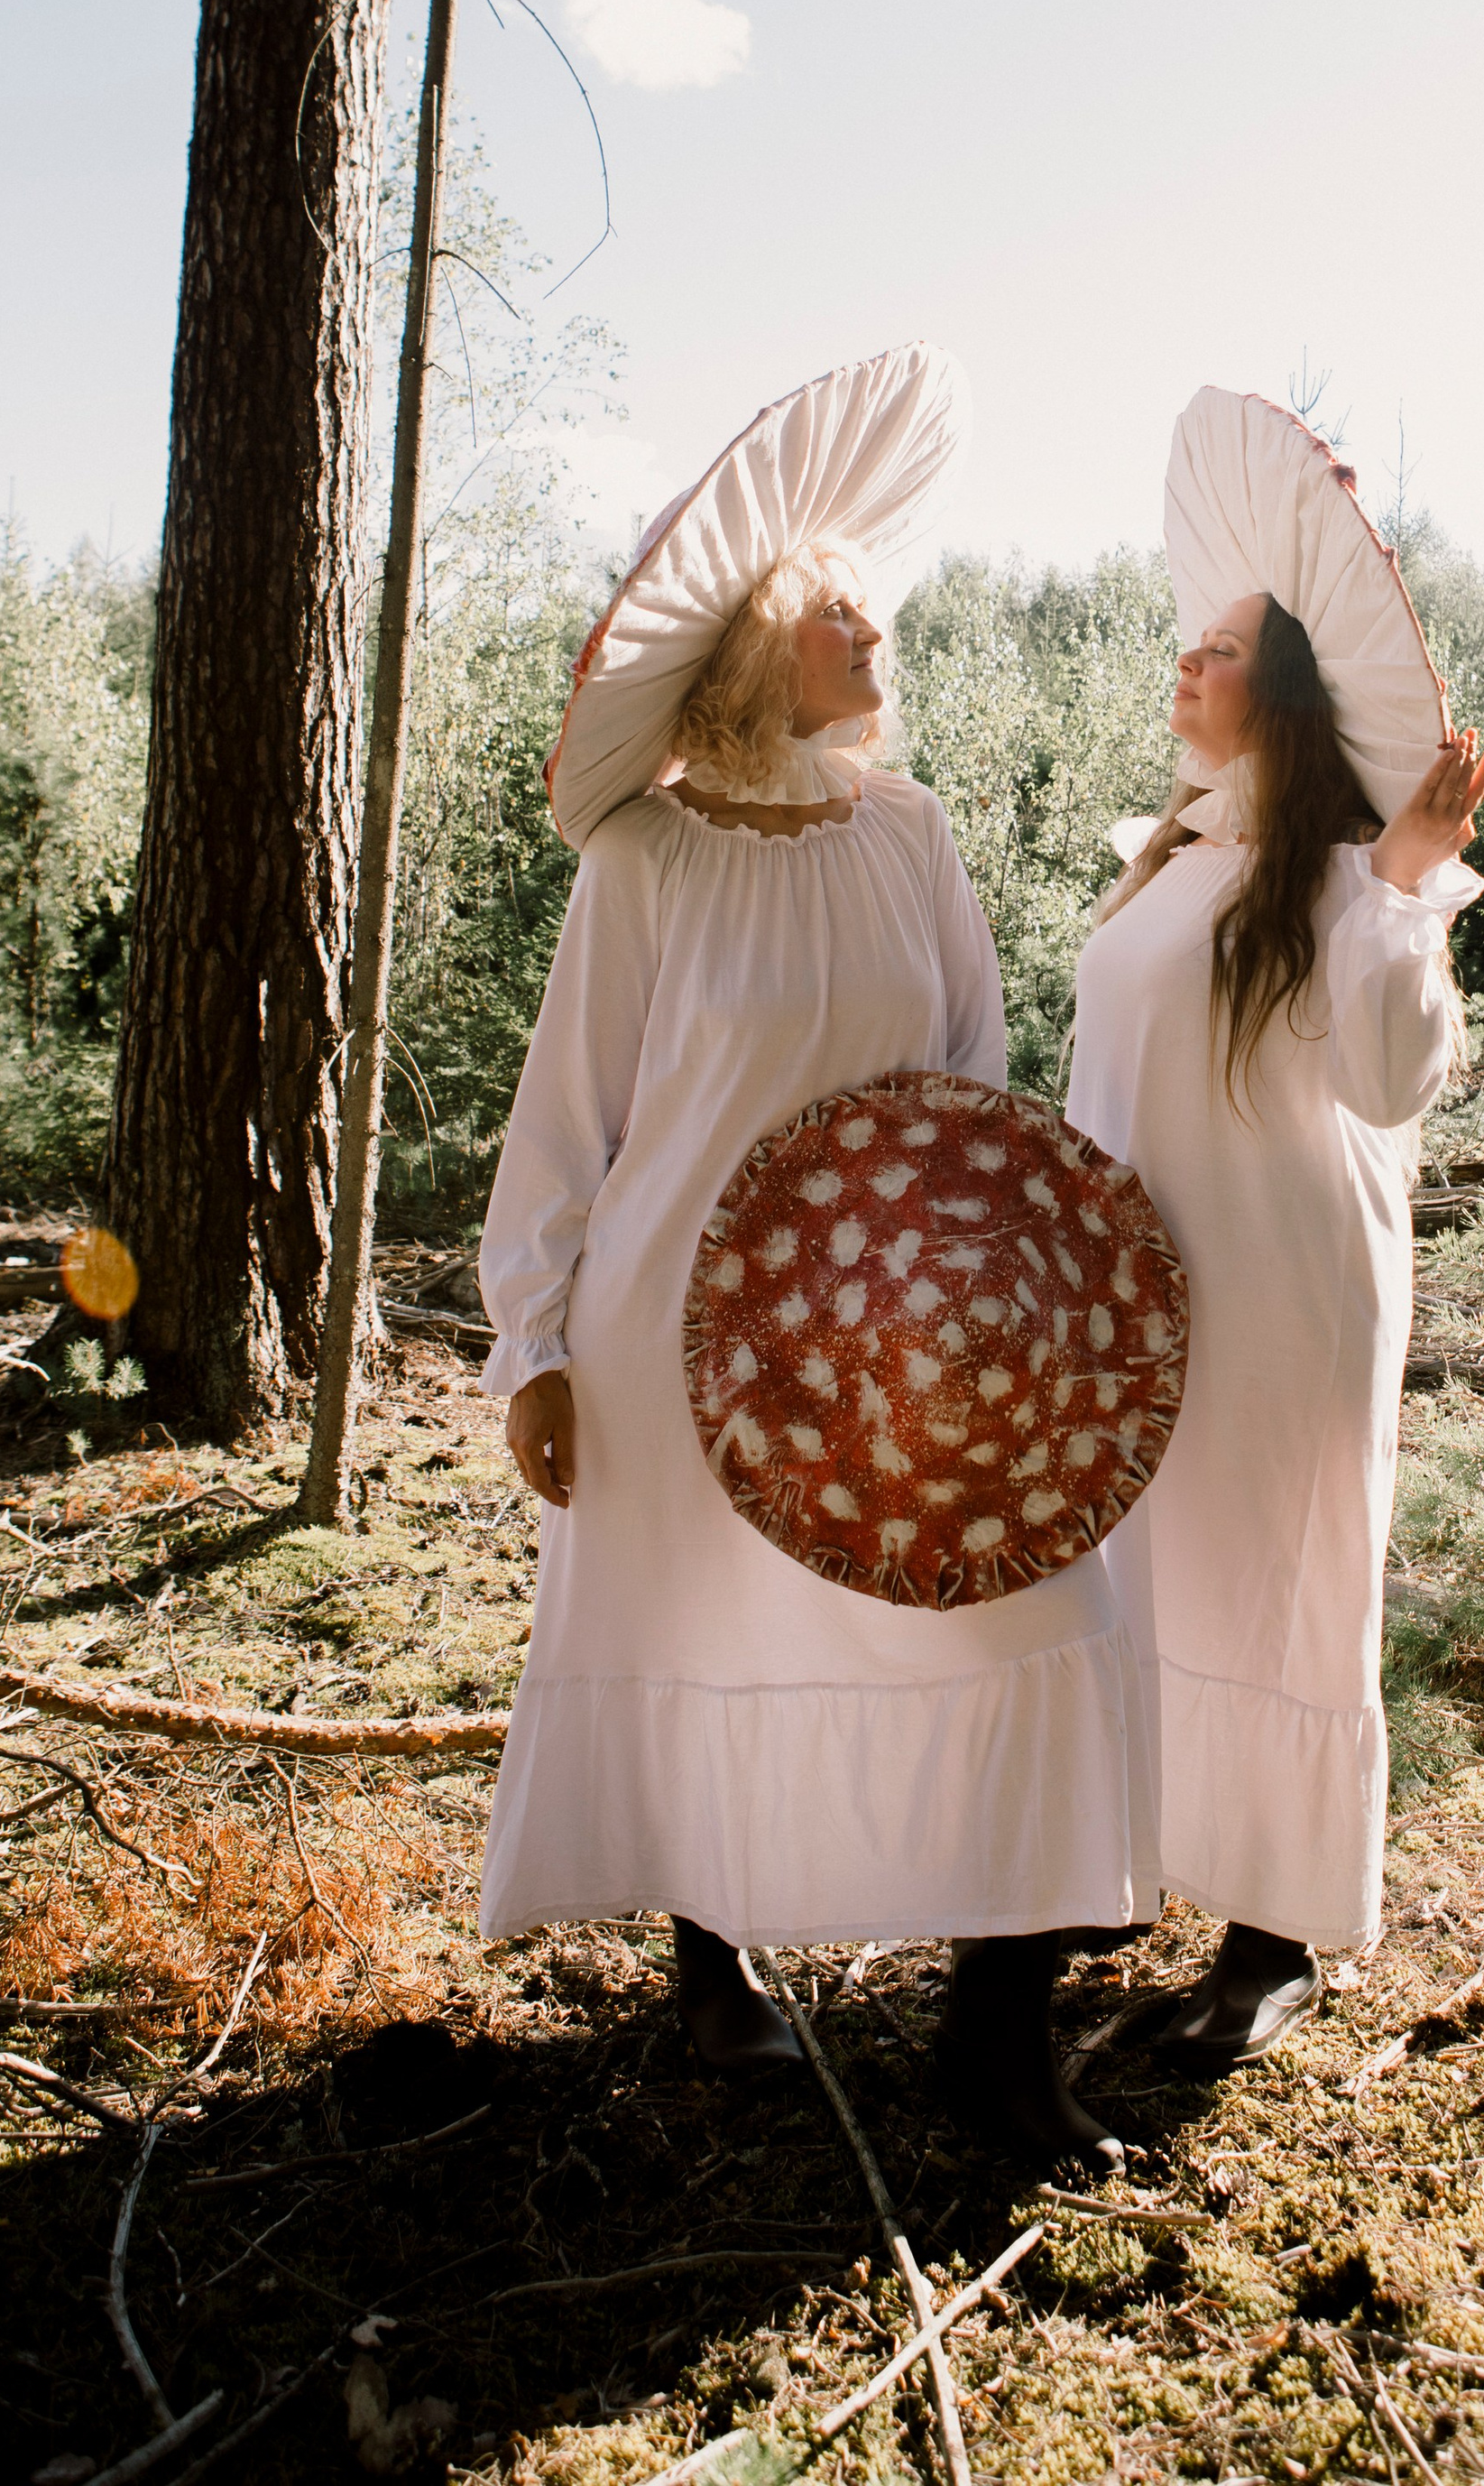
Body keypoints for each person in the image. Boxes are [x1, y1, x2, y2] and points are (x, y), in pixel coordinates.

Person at [477, 345, 1130, 2160]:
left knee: (1034, 1613)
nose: (874, 625)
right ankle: (714, 1962)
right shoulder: (648, 858)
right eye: (839, 606)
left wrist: (995, 1284)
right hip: (673, 1329)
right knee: (703, 1626)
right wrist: (534, 1344)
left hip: (897, 1325)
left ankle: (996, 2032)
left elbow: (976, 1067)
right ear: (762, 639)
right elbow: (568, 1118)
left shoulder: (909, 832)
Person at [1066, 386, 1484, 2069]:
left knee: (1280, 1578)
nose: (1188, 661)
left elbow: (1392, 1081)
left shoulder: (1342, 878)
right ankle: (1145, 1856)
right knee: (1149, 1569)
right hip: (1137, 1282)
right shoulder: (1173, 853)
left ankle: (1275, 1934)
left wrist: (1404, 888)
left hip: (1283, 1287)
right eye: (1191, 642)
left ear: (1294, 695)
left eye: (1224, 649)